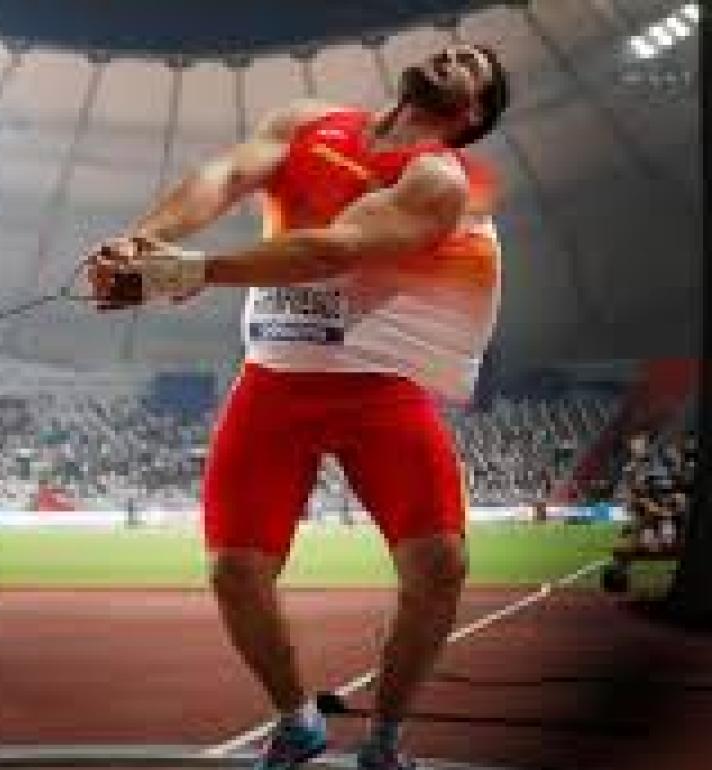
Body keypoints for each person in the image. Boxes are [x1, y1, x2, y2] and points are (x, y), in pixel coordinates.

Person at [87, 44, 509, 770]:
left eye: (469, 62)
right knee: (233, 571)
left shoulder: (437, 179)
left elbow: (334, 250)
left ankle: (385, 741)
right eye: (450, 47)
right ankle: (296, 720)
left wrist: (190, 272)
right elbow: (224, 176)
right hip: (277, 377)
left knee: (440, 564)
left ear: (471, 112)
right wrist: (143, 241)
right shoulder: (309, 121)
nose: (449, 53)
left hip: (379, 381)